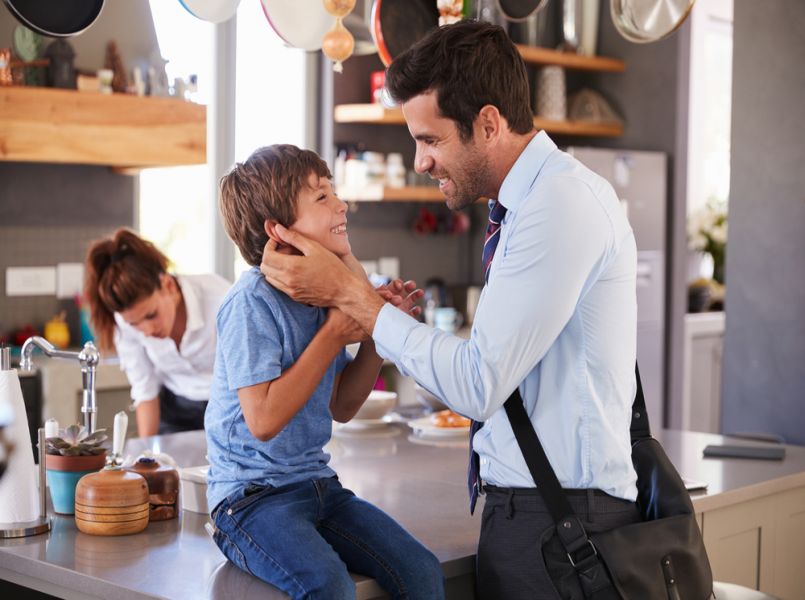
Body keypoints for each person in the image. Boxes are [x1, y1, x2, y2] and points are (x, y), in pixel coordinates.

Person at [261, 20, 642, 600]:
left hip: (565, 523)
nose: (420, 162)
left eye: (430, 140)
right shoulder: (528, 206)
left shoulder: (560, 205)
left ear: (488, 124)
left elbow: (477, 383)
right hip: (539, 514)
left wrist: (352, 297)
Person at [206, 144, 443, 600]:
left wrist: (374, 333)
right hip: (248, 502)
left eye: (333, 191)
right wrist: (335, 332)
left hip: (317, 487)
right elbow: (263, 420)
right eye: (321, 197)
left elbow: (342, 405)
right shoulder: (250, 303)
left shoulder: (318, 297)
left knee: (422, 573)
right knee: (329, 587)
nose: (342, 204)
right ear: (279, 231)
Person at [84, 228, 230, 437]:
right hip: (174, 410)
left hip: (229, 407)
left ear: (168, 285)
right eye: (135, 324)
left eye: (151, 315)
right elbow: (145, 390)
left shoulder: (221, 300)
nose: (147, 331)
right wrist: (147, 458)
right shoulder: (125, 321)